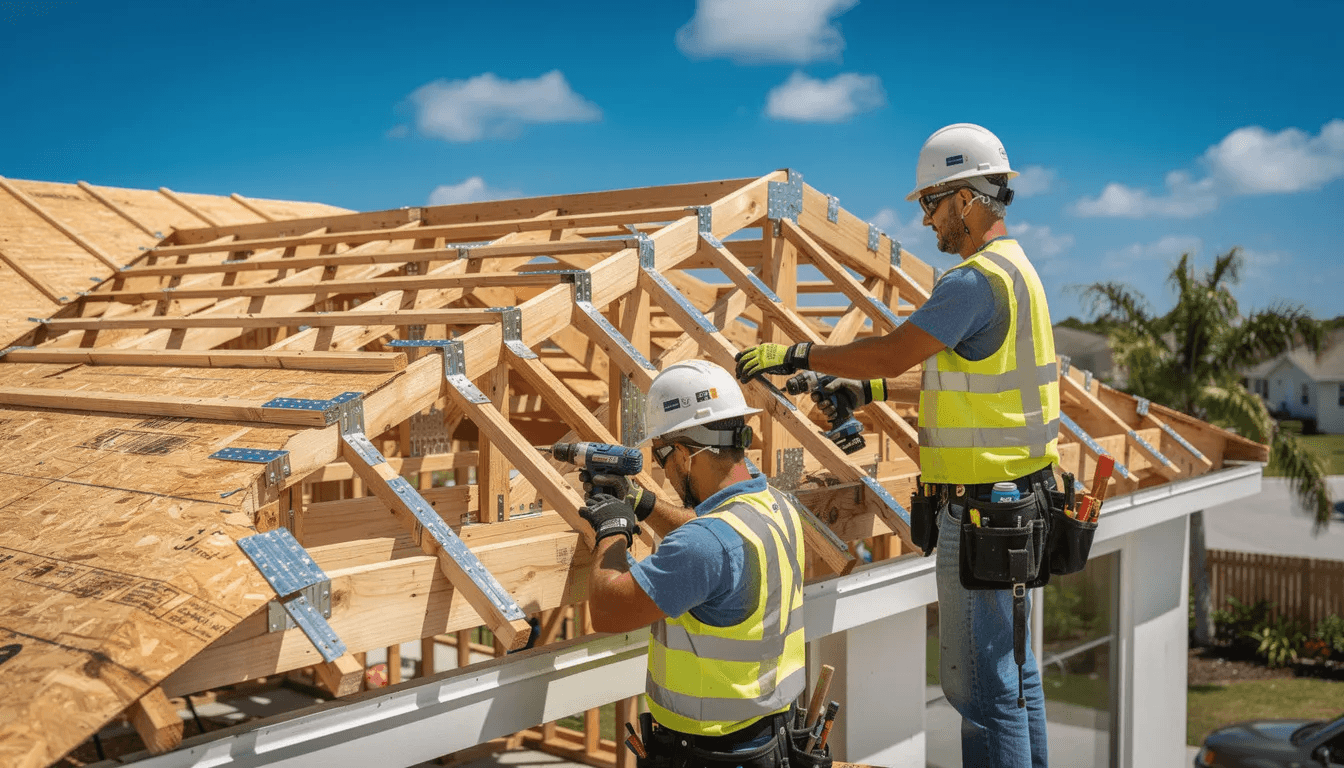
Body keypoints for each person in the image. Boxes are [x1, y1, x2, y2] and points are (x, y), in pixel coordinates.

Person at [734, 123, 1059, 768]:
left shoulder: (972, 281)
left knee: (982, 695)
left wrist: (800, 351)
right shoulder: (1019, 272)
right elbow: (956, 375)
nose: (928, 222)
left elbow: (893, 347)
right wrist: (863, 392)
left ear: (965, 198)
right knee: (1018, 683)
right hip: (1020, 502)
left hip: (982, 517)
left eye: (931, 204)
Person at [576, 359, 815, 768]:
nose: (665, 472)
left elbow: (607, 609)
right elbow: (713, 534)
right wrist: (642, 504)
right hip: (773, 738)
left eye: (664, 458)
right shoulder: (777, 507)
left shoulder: (705, 546)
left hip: (710, 754)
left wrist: (613, 526)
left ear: (684, 456)